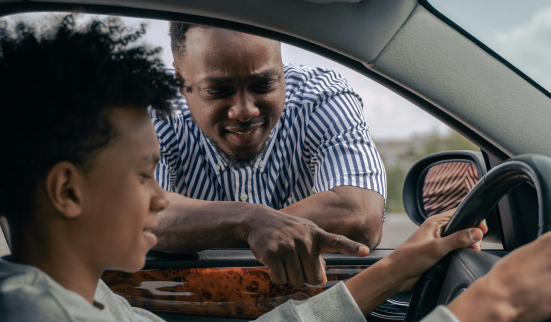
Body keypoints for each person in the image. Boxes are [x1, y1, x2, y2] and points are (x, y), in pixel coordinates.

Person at [0, 16, 551, 322]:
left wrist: (399, 267)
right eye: (144, 176)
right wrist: (493, 303)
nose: (162, 200)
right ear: (68, 192)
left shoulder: (71, 304)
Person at [150, 23, 387, 285]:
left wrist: (216, 230)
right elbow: (139, 213)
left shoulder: (321, 97)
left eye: (263, 85)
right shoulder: (150, 106)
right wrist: (248, 222)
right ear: (180, 79)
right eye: (217, 91)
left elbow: (360, 215)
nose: (244, 111)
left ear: (281, 68)